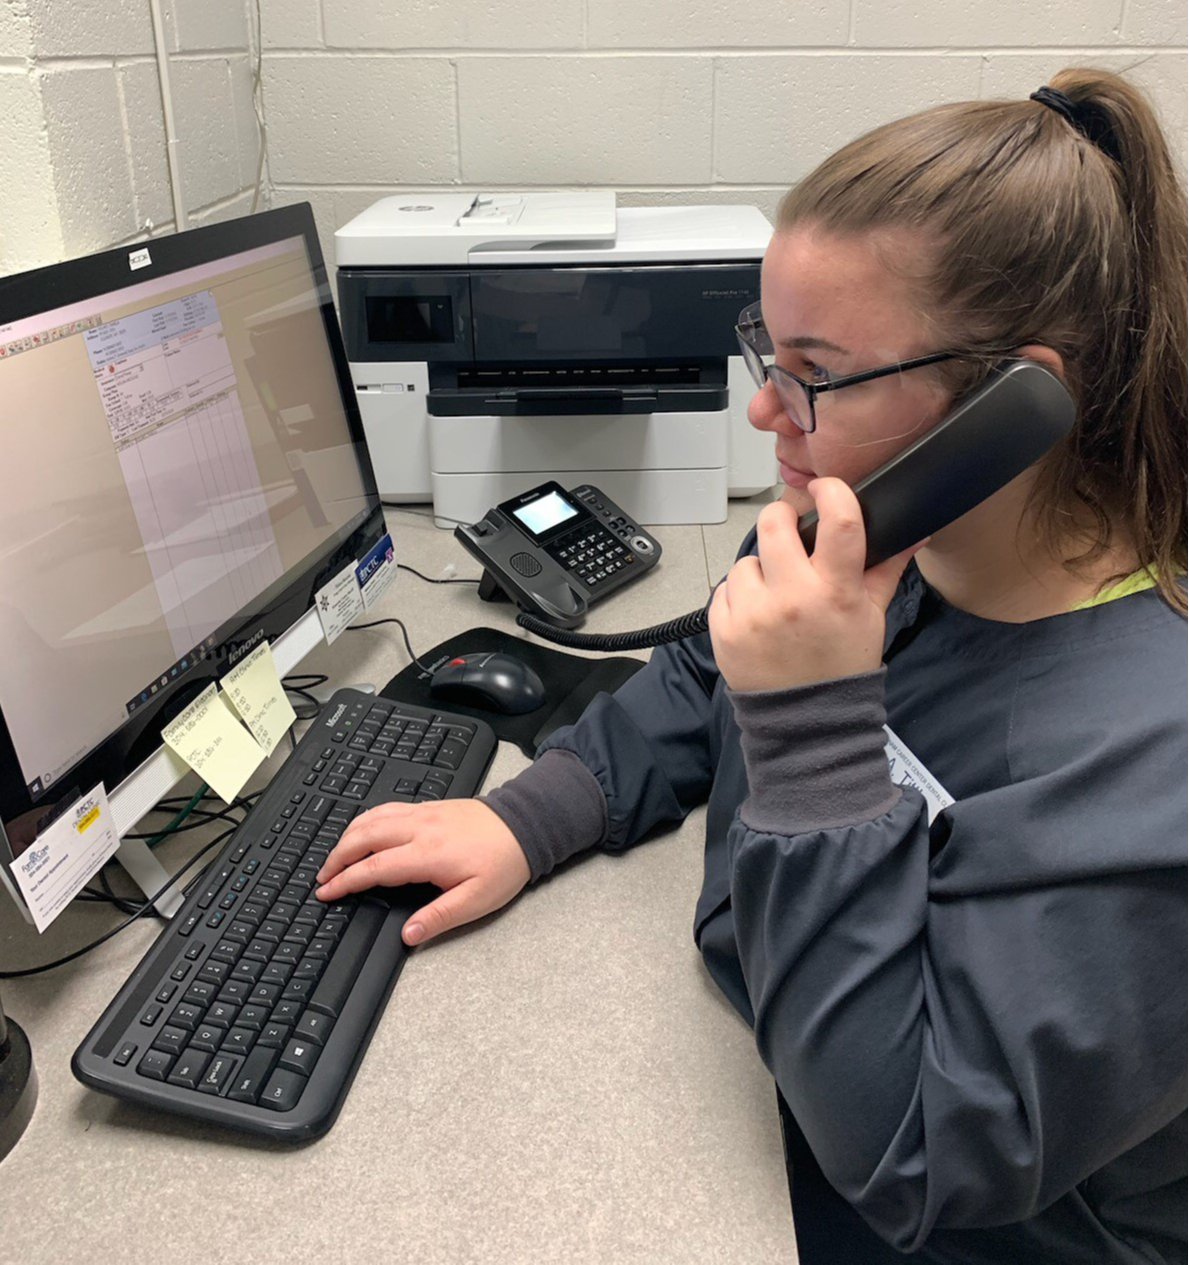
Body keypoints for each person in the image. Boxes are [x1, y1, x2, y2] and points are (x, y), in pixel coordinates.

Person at [316, 67, 1188, 1264]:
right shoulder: (868, 544)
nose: (764, 416)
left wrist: (817, 724)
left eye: (815, 375)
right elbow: (702, 673)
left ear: (1019, 404)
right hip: (765, 1075)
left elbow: (913, 1152)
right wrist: (534, 815)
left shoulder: (1151, 759)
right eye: (763, 353)